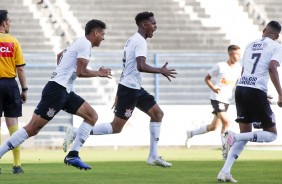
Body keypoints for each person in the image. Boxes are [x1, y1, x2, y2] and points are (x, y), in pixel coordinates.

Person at [63, 11, 177, 167]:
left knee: (158, 114)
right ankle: (76, 132)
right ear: (144, 25)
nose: (155, 27)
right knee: (116, 127)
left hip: (132, 87)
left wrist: (118, 91)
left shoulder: (132, 40)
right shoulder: (140, 42)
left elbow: (128, 68)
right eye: (154, 24)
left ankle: (153, 155)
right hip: (129, 90)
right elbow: (140, 66)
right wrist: (160, 70)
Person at [0, 19, 112, 171]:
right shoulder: (85, 44)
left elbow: (60, 55)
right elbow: (81, 72)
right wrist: (99, 73)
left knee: (91, 116)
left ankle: (73, 154)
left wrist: (61, 72)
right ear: (95, 33)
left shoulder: (78, 42)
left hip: (63, 90)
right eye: (103, 34)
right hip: (56, 91)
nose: (103, 38)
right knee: (32, 129)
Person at [217, 21, 282, 182]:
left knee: (247, 133)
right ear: (277, 36)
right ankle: (234, 137)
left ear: (264, 30)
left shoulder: (250, 44)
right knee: (272, 135)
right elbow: (272, 67)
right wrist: (281, 94)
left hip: (241, 89)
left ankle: (225, 171)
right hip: (256, 91)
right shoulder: (276, 46)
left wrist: (257, 92)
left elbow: (245, 70)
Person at [185, 45, 241, 160]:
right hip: (217, 98)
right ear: (230, 54)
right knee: (227, 122)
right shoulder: (220, 66)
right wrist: (214, 89)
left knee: (213, 127)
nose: (239, 57)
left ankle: (191, 133)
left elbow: (238, 84)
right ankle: (225, 151)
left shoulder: (239, 68)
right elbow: (207, 78)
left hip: (227, 100)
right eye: (237, 54)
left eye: (240, 54)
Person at [0, 10, 27, 174]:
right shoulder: (13, 42)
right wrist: (24, 89)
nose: (10, 24)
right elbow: (21, 69)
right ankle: (17, 165)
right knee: (14, 127)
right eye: (9, 21)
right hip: (10, 85)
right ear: (4, 23)